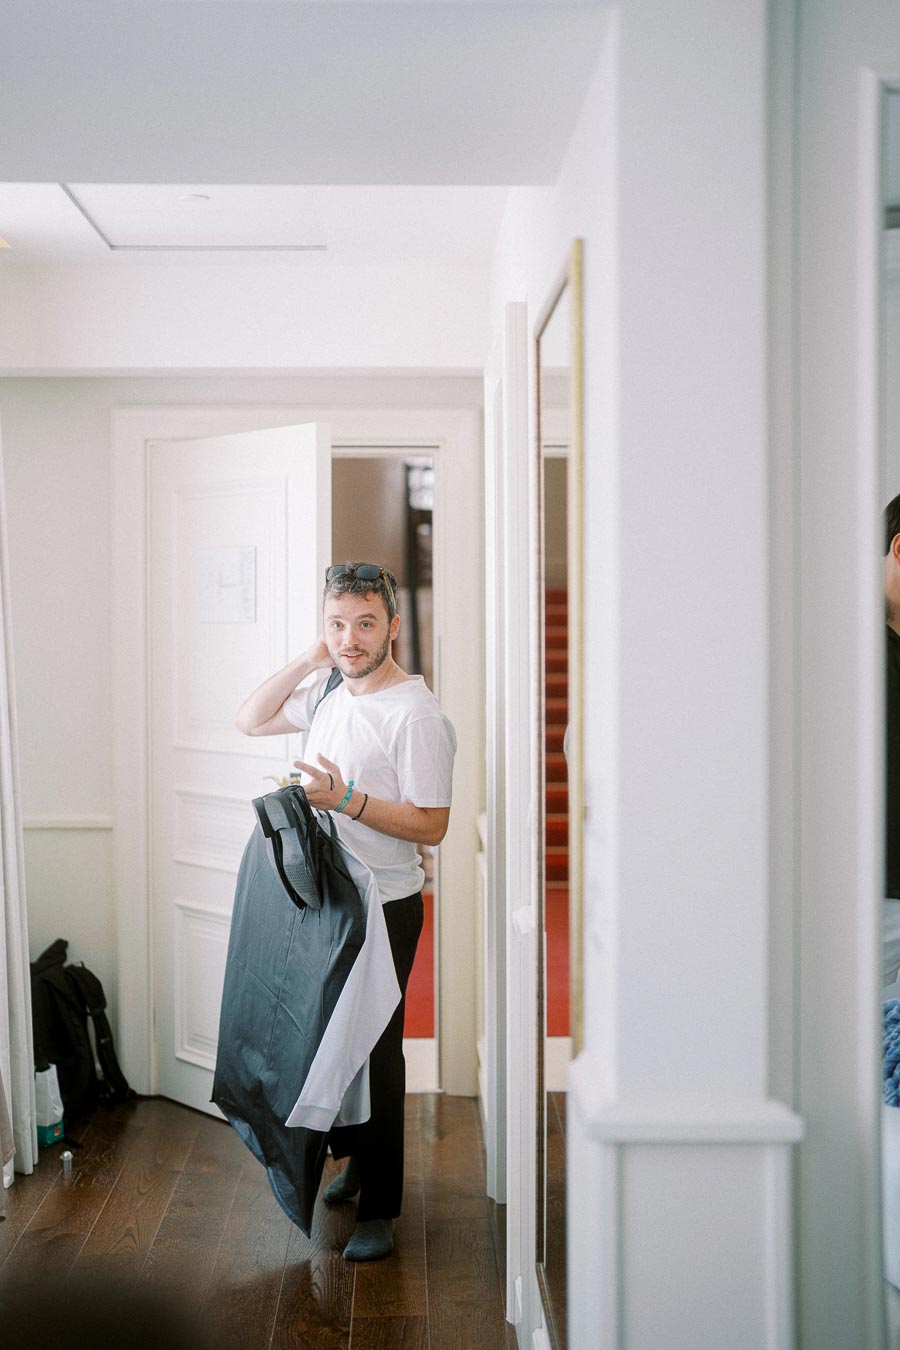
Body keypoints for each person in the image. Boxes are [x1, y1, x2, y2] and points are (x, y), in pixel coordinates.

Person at [234, 561, 456, 1261]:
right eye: (337, 624)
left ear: (393, 625)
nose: (351, 638)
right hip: (323, 898)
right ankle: (358, 1160)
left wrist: (347, 801)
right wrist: (310, 657)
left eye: (365, 623)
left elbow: (432, 825)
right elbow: (250, 717)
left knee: (377, 1054)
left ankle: (380, 1210)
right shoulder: (330, 686)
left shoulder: (416, 715)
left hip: (384, 905)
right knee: (331, 1042)